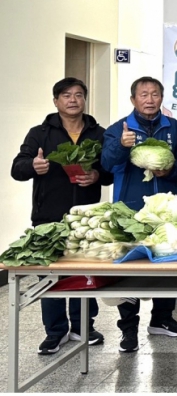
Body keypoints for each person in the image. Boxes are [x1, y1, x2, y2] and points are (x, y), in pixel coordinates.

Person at [11, 78, 113, 355]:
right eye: (66, 95)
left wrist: (96, 176)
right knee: (52, 277)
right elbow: (17, 169)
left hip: (86, 220)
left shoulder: (99, 133)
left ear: (84, 100)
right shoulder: (40, 133)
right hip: (48, 217)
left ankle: (84, 327)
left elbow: (110, 171)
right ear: (55, 101)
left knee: (84, 274)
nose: (73, 100)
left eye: (79, 95)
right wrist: (33, 166)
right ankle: (55, 332)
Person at [101, 76, 177, 353]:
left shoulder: (176, 128)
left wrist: (176, 168)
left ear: (162, 98)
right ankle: (128, 331)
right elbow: (106, 165)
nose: (150, 99)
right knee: (128, 270)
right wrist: (121, 145)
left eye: (155, 94)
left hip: (165, 208)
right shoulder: (119, 129)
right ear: (133, 100)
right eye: (143, 94)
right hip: (130, 210)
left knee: (169, 262)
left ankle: (162, 320)